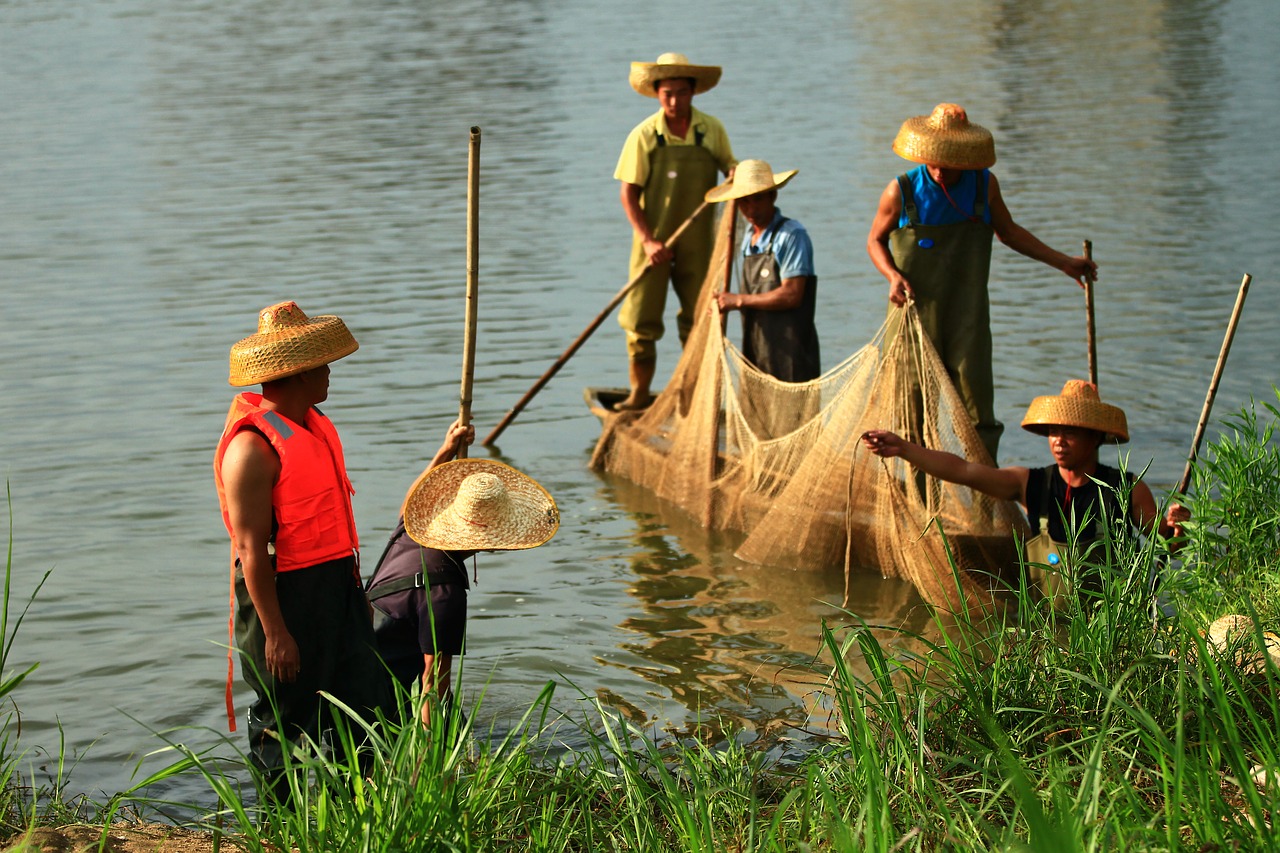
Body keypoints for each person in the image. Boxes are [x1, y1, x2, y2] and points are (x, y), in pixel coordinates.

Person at [213, 301, 387, 797]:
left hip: (335, 585)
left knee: (361, 708)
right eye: (322, 365)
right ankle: (279, 831)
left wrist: (354, 597)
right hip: (282, 596)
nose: (330, 372)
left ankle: (359, 819)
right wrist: (275, 634)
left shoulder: (314, 424)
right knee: (283, 719)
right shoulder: (251, 449)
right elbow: (250, 548)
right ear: (297, 372)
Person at [866, 103, 1098, 462]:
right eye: (933, 160)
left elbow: (1008, 232)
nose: (941, 169)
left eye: (950, 159)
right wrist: (892, 275)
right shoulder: (902, 191)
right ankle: (920, 502)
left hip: (968, 317)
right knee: (912, 412)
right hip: (912, 317)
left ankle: (985, 502)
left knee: (978, 411)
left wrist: (1063, 262)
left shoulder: (983, 187)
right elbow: (874, 241)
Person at [861, 380, 1189, 599]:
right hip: (1051, 617)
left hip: (1112, 618)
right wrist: (903, 448)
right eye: (1053, 432)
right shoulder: (1029, 483)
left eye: (1071, 433)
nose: (1059, 441)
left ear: (1097, 438)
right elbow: (963, 471)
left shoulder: (1127, 488)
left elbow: (1171, 544)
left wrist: (1179, 525)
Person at [366, 455, 559, 727]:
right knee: (450, 727)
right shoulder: (445, 593)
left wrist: (444, 451)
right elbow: (432, 686)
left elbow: (411, 499)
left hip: (346, 682)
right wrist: (431, 757)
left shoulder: (413, 532)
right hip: (377, 709)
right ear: (495, 540)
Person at [614, 52, 737, 411]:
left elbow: (730, 167)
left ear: (693, 93)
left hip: (698, 241)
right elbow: (628, 194)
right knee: (640, 321)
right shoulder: (644, 136)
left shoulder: (709, 129)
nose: (673, 101)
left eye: (681, 93)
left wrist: (734, 175)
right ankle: (639, 393)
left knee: (699, 317)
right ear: (656, 93)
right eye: (666, 93)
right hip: (652, 243)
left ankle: (694, 397)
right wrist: (649, 240)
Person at [708, 158, 819, 384]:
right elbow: (748, 298)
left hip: (792, 354)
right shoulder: (749, 239)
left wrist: (738, 301)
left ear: (773, 196)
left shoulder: (791, 235)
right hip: (757, 351)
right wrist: (722, 304)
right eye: (744, 202)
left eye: (758, 199)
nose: (751, 209)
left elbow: (792, 295)